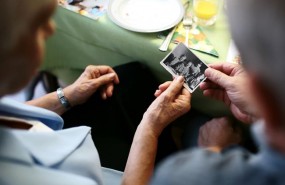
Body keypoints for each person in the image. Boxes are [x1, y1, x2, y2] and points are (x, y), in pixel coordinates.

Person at [0, 0, 191, 184]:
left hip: (63, 142)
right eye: (37, 24)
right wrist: (149, 129)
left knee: (131, 77)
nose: (51, 29)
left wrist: (66, 96)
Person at [146, 0, 285, 184]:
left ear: (256, 91)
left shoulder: (177, 176)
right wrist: (259, 114)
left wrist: (209, 151)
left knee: (196, 126)